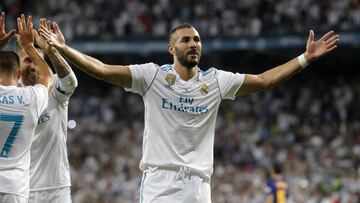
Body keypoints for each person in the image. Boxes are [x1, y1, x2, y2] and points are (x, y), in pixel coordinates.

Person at [40, 22, 339, 202]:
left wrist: (304, 58)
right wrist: (65, 50)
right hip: (160, 182)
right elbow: (104, 70)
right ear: (171, 48)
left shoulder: (216, 80)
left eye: (197, 39)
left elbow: (262, 80)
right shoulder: (152, 76)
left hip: (199, 185)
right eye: (186, 40)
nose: (193, 44)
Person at [15, 19, 78, 203]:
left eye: (38, 60)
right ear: (16, 66)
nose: (34, 65)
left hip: (55, 189)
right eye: (28, 59)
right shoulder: (10, 94)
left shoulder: (55, 89)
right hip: (20, 188)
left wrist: (51, 50)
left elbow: (71, 82)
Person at [0, 14, 52, 202]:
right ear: (19, 73)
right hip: (14, 188)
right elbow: (48, 76)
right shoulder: (30, 98)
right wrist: (29, 46)